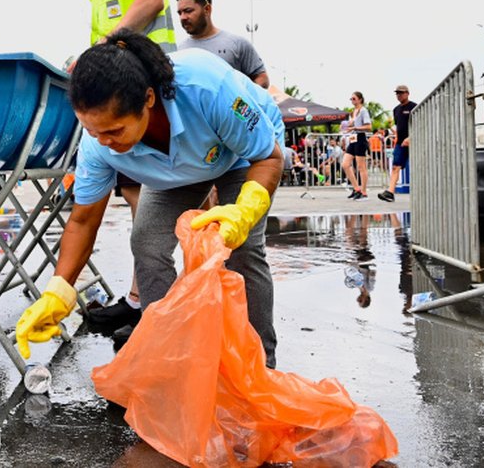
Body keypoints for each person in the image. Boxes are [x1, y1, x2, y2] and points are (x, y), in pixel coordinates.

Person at [15, 30, 285, 367]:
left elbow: (269, 157)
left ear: (148, 99)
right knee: (146, 244)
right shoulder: (97, 145)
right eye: (94, 131)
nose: (104, 142)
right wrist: (58, 290)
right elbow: (83, 220)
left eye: (114, 131)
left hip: (241, 155)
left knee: (241, 250)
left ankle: (260, 366)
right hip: (175, 169)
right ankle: (168, 355)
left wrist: (244, 212)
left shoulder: (207, 87)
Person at [52, 0, 177, 339]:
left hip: (144, 79)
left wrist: (105, 47)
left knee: (153, 198)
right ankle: (140, 297)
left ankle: (153, 306)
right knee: (135, 195)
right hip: (124, 78)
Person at [175, 0, 269, 87]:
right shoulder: (180, 52)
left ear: (207, 9)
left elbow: (262, 78)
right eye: (180, 13)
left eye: (188, 11)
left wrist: (244, 98)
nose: (183, 17)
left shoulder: (237, 44)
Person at [379, 85, 417, 202]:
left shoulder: (414, 107)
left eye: (401, 93)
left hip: (414, 141)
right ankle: (390, 192)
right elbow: (399, 126)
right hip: (400, 143)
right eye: (397, 93)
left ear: (407, 93)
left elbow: (420, 125)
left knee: (417, 168)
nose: (399, 95)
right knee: (396, 166)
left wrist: (411, 137)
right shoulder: (396, 110)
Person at [341, 91, 371, 201]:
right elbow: (353, 124)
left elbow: (369, 126)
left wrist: (355, 128)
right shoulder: (354, 111)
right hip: (353, 139)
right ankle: (356, 189)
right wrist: (350, 125)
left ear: (360, 99)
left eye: (354, 98)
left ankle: (364, 192)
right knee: (345, 164)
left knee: (361, 167)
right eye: (351, 99)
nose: (352, 100)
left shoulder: (363, 111)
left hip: (360, 138)